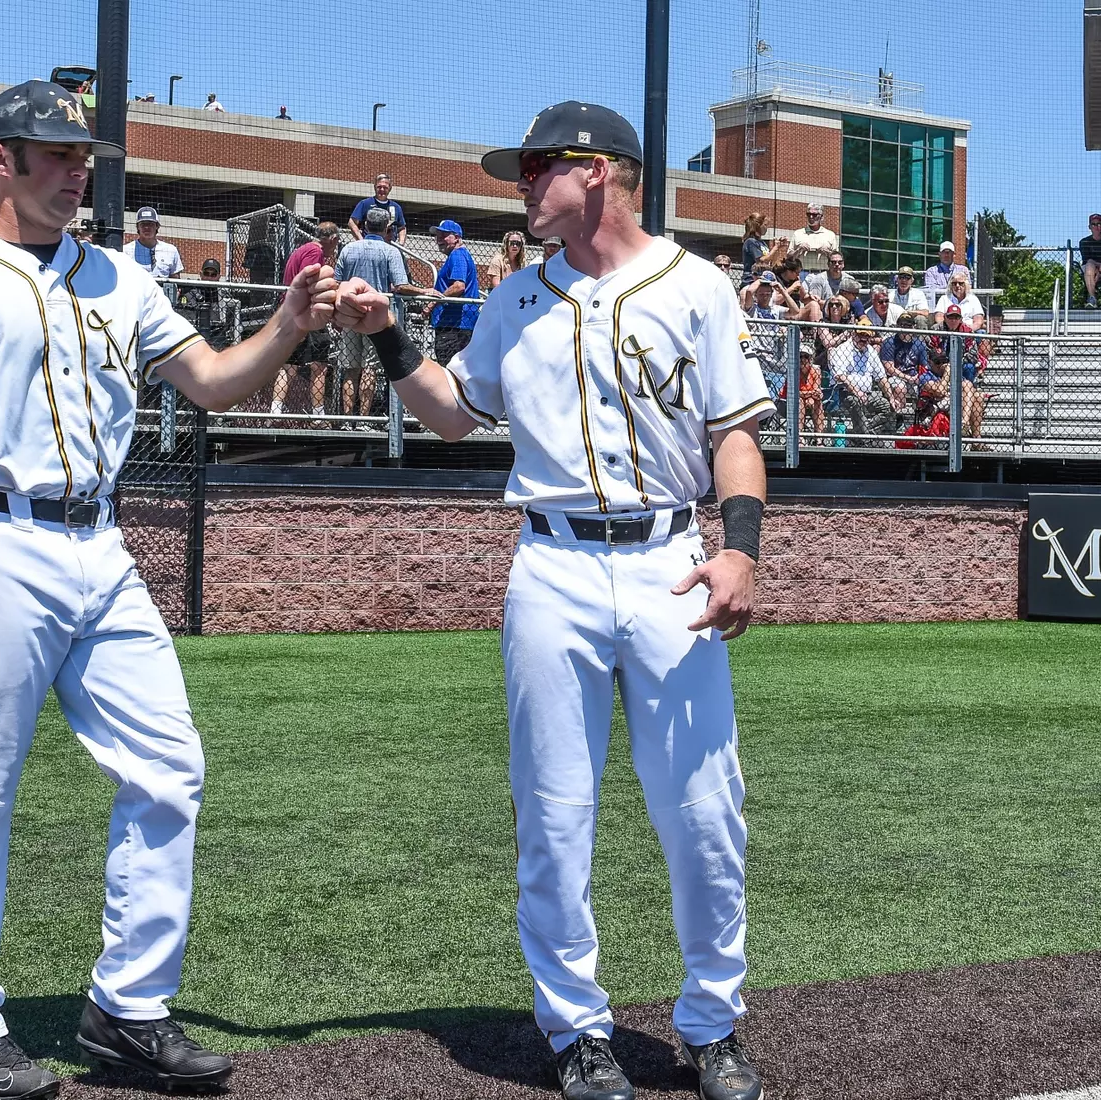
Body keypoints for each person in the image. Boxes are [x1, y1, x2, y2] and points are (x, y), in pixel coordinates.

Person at [0, 79, 337, 1099]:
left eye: (85, 159)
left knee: (169, 764)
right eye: (57, 155)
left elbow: (207, 379)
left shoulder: (118, 277)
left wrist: (287, 325)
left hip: (98, 544)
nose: (78, 172)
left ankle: (126, 1008)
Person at [333, 99, 768, 1100]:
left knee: (704, 806)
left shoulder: (695, 285)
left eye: (537, 167)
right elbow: (451, 414)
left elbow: (734, 431)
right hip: (551, 565)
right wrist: (391, 335)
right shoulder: (514, 298)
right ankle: (576, 1029)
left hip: (670, 558)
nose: (521, 184)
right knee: (553, 810)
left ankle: (710, 1023)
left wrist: (739, 551)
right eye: (521, 170)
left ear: (602, 173)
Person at [335, 206, 424, 418]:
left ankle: (348, 419)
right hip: (375, 318)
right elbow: (401, 285)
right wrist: (424, 289)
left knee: (350, 368)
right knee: (369, 368)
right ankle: (364, 418)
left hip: (349, 314)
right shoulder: (391, 251)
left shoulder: (349, 248)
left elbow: (337, 282)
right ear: (387, 228)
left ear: (365, 225)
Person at [275, 221, 341, 418]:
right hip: (307, 313)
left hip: (292, 311)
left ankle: (275, 411)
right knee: (319, 365)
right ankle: (318, 416)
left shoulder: (302, 249)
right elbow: (307, 281)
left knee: (289, 365)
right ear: (333, 239)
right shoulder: (315, 252)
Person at [829, 319, 897, 437]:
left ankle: (864, 434)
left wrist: (891, 397)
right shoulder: (843, 349)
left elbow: (881, 377)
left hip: (867, 394)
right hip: (844, 393)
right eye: (861, 334)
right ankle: (864, 437)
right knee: (854, 401)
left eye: (867, 335)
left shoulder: (871, 351)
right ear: (853, 334)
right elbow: (841, 377)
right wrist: (857, 392)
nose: (863, 338)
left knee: (886, 406)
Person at [428, 219, 481, 362]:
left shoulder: (457, 255)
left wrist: (432, 303)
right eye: (437, 236)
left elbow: (459, 286)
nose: (439, 240)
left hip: (454, 325)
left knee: (449, 369)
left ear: (457, 237)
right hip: (456, 324)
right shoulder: (458, 255)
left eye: (444, 235)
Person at [348, 172, 406, 245]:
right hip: (369, 245)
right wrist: (361, 241)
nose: (382, 189)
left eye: (385, 187)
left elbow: (402, 228)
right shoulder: (365, 203)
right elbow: (352, 222)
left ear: (390, 188)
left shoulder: (396, 207)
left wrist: (401, 243)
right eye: (379, 187)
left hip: (389, 247)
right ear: (374, 187)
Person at [131, 207, 184, 279]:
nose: (147, 227)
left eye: (150, 224)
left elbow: (175, 278)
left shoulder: (171, 250)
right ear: (137, 227)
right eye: (143, 224)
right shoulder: (126, 251)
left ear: (157, 226)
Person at [787, 201, 838, 271]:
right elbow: (789, 258)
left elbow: (837, 259)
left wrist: (827, 252)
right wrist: (798, 250)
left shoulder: (830, 235)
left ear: (821, 217)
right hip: (802, 273)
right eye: (809, 214)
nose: (811, 217)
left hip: (823, 274)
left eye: (814, 215)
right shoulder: (798, 233)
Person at [739, 211, 769, 287]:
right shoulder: (751, 242)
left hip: (763, 279)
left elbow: (770, 260)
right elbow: (761, 261)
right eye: (765, 225)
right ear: (758, 226)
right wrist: (775, 248)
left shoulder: (762, 243)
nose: (767, 228)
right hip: (751, 280)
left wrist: (779, 248)